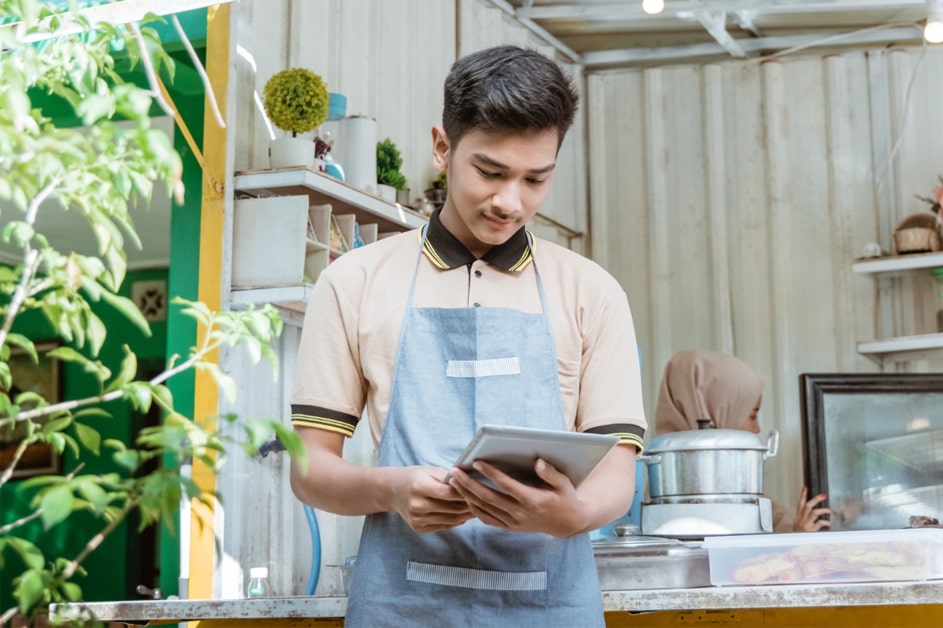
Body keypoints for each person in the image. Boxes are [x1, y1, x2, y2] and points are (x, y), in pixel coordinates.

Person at [288, 45, 646, 627]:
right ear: (442, 147)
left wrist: (572, 513)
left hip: (551, 606)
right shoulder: (353, 281)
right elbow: (309, 467)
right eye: (490, 172)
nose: (511, 201)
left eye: (536, 179)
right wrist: (391, 490)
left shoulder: (593, 292)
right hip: (401, 606)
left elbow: (618, 476)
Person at [655, 350, 831, 533]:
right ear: (712, 415)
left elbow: (777, 520)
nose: (757, 429)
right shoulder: (669, 501)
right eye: (752, 415)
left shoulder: (736, 488)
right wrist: (795, 541)